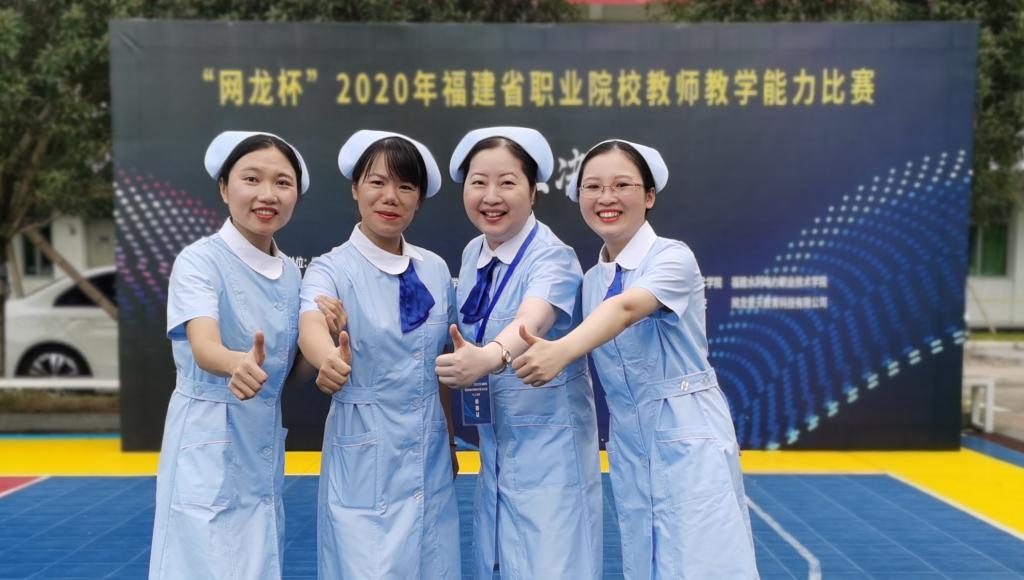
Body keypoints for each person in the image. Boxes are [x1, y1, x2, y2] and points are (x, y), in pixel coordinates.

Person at [513, 139, 759, 579]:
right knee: (647, 560)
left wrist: (562, 350)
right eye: (593, 187)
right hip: (630, 441)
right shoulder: (592, 280)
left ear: (649, 196)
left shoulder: (672, 256)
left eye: (621, 185)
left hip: (686, 430)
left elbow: (626, 309)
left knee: (705, 562)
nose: (606, 198)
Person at [151, 131, 343, 579]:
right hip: (207, 438)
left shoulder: (292, 274)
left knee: (257, 561)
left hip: (260, 445)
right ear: (224, 188)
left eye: (282, 182)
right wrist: (233, 363)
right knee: (202, 563)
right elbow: (204, 346)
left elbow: (289, 373)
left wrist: (325, 337)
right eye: (251, 179)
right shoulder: (199, 261)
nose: (267, 194)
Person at [435, 126, 601, 579]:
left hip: (551, 452)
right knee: (497, 564)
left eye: (507, 182)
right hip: (495, 448)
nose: (491, 197)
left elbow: (533, 319)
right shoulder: (474, 253)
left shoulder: (553, 257)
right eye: (478, 182)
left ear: (532, 191)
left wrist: (489, 358)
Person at [298, 130, 461, 579]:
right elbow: (311, 321)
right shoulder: (332, 268)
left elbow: (439, 365)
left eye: (405, 186)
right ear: (355, 188)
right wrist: (327, 359)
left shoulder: (434, 269)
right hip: (365, 451)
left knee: (434, 565)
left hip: (429, 448)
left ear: (418, 200)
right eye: (377, 182)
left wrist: (448, 441)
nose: (391, 197)